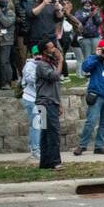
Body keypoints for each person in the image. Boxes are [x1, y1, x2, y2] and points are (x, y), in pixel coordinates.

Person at [35, 40, 64, 170]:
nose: (55, 49)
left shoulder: (50, 64)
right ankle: (55, 162)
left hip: (52, 101)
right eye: (51, 48)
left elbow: (55, 86)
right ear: (44, 51)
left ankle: (45, 162)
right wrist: (61, 61)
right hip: (46, 103)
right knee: (53, 132)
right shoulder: (42, 65)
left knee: (46, 132)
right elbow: (54, 77)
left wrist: (59, 103)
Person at [20, 47, 42, 162]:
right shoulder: (29, 65)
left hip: (41, 99)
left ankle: (34, 147)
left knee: (41, 124)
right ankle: (35, 150)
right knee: (36, 124)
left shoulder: (46, 64)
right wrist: (42, 74)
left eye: (40, 54)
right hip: (30, 98)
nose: (38, 56)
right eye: (36, 54)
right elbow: (29, 79)